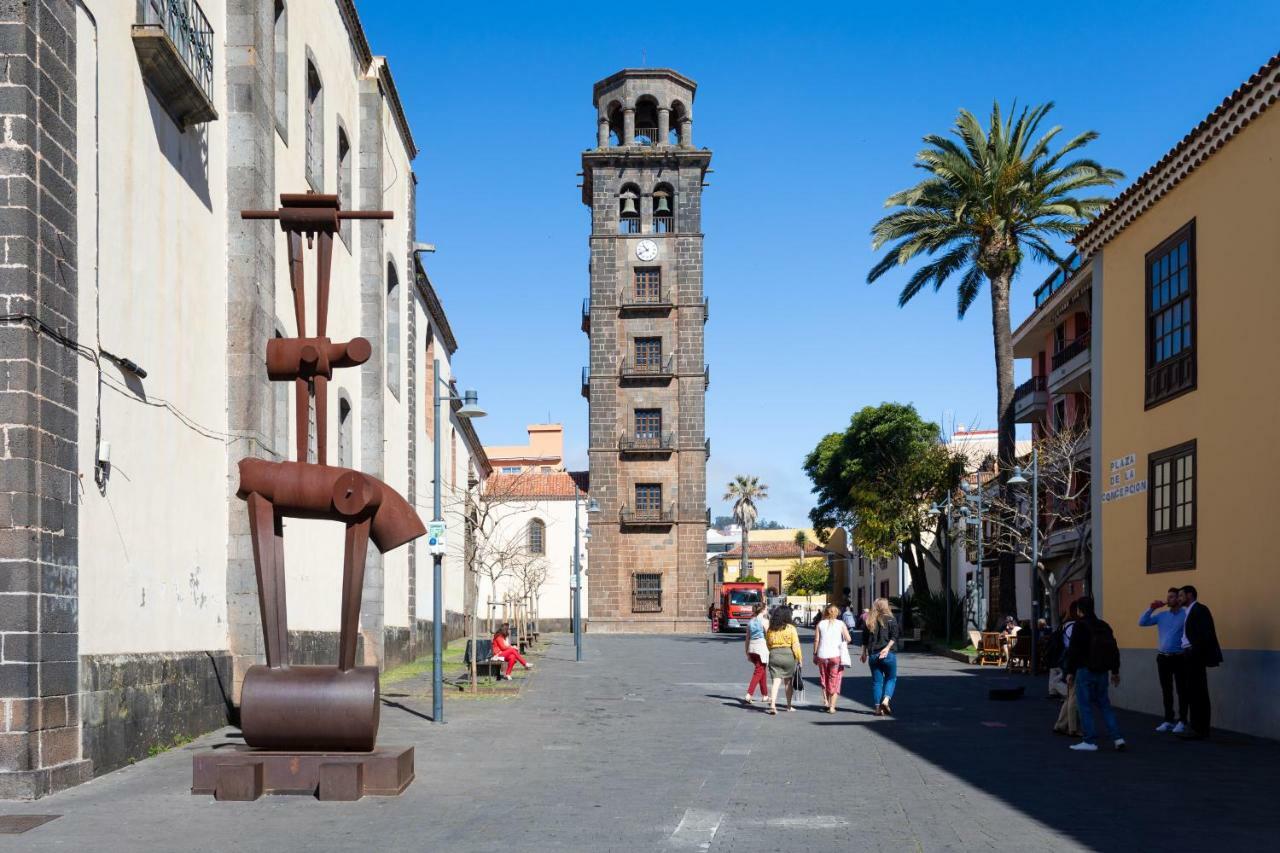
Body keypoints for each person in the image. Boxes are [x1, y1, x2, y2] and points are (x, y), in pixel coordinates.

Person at [1064, 597, 1125, 752]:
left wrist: (1070, 671)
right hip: (1102, 671)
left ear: (1080, 610)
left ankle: (1089, 740)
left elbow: (1074, 651)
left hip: (1085, 669)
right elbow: (1113, 649)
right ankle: (1117, 737)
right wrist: (1115, 671)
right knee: (1105, 705)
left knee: (1085, 706)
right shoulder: (1104, 625)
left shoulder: (1080, 625)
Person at [1138, 587, 1189, 733]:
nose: (1169, 599)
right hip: (1163, 658)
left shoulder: (1185, 615)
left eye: (1172, 597)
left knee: (1181, 690)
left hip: (1179, 657)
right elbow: (1142, 622)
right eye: (1168, 597)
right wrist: (1151, 608)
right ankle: (1168, 720)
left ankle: (1182, 721)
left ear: (1178, 599)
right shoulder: (1162, 615)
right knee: (1166, 690)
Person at [1177, 585, 1222, 740]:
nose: (1179, 599)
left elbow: (1206, 634)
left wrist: (1196, 651)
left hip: (1195, 655)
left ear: (1189, 595)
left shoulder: (1200, 610)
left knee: (1198, 691)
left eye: (1181, 595)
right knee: (1193, 691)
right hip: (1189, 654)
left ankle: (1200, 729)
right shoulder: (1189, 611)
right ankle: (1197, 727)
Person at [860, 598, 899, 716]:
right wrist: (887, 648)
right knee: (891, 678)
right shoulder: (891, 619)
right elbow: (895, 636)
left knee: (877, 682)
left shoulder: (869, 620)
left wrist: (863, 653)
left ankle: (877, 708)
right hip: (888, 654)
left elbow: (864, 639)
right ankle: (886, 700)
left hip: (873, 655)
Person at [813, 604, 852, 714]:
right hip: (836, 656)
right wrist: (841, 643)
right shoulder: (841, 624)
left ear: (826, 612)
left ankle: (826, 701)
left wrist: (814, 654)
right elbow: (849, 638)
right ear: (837, 613)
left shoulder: (820, 624)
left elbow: (816, 640)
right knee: (835, 679)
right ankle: (832, 707)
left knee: (824, 678)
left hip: (822, 655)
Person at [764, 606, 802, 715]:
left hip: (774, 654)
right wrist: (799, 658)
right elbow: (795, 645)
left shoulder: (771, 628)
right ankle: (789, 706)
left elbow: (768, 643)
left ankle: (772, 705)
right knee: (788, 682)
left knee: (776, 681)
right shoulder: (791, 628)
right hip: (788, 655)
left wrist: (773, 651)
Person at [1052, 604, 1083, 737]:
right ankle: (1073, 728)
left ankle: (1060, 724)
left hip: (1067, 660)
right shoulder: (1074, 626)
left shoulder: (1065, 625)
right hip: (1073, 662)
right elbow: (1075, 647)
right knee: (1074, 697)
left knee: (1070, 695)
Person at [742, 602, 770, 706]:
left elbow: (747, 638)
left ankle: (765, 695)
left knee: (761, 670)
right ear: (762, 610)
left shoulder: (750, 622)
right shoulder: (765, 621)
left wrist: (747, 652)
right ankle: (749, 694)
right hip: (761, 647)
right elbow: (769, 636)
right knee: (759, 671)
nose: (767, 610)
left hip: (752, 648)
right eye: (766, 608)